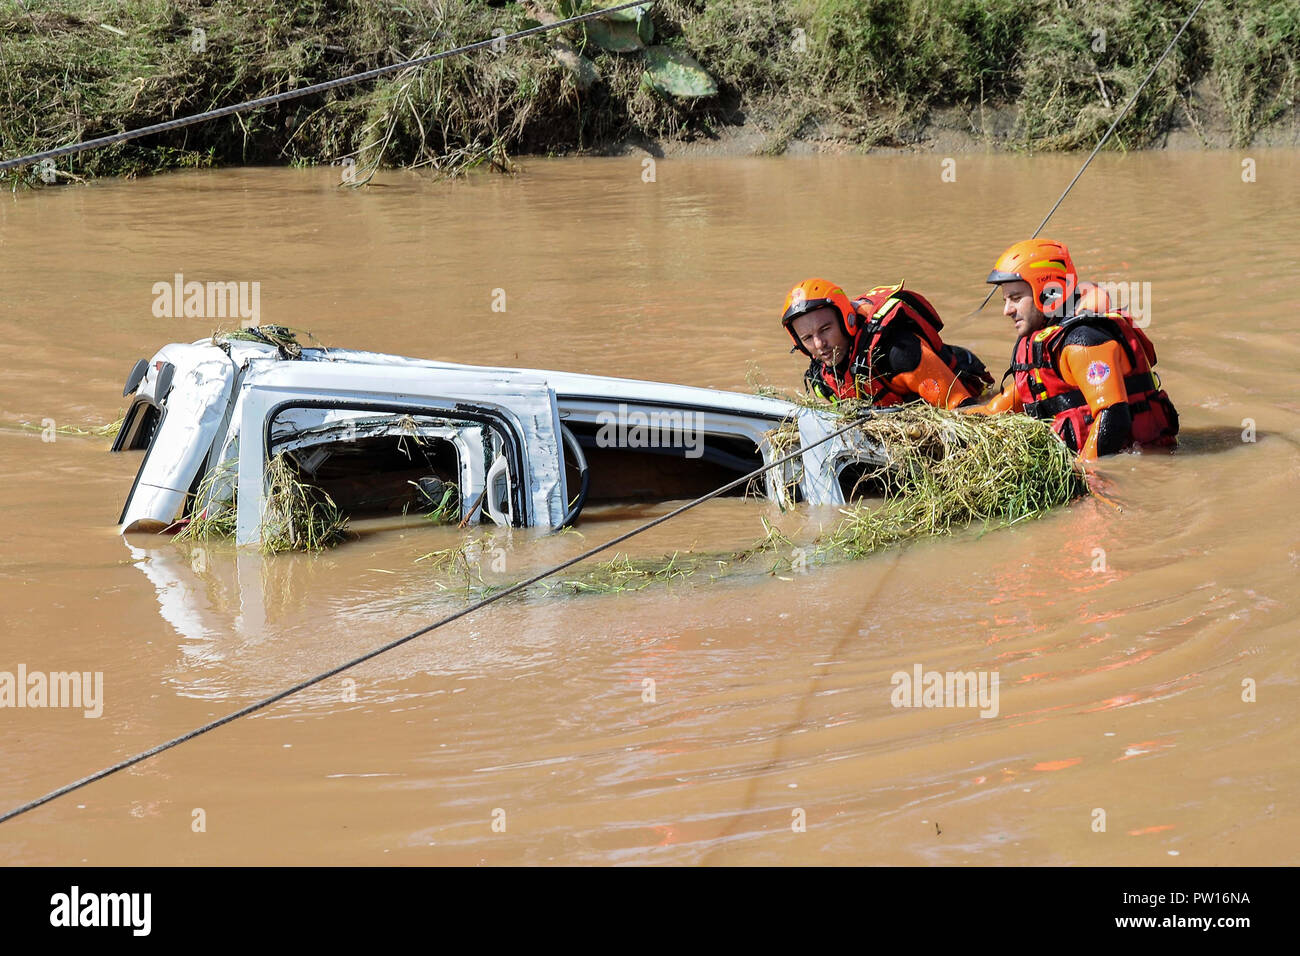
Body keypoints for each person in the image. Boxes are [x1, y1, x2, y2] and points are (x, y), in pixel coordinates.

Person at [972, 238, 1178, 461]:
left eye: (1015, 298)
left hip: (1144, 462)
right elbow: (995, 411)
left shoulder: (1084, 343)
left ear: (1048, 293)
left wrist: (1082, 475)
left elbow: (1114, 417)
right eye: (1005, 300)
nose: (1007, 310)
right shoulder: (1047, 344)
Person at [780, 278, 992, 408]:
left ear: (847, 320)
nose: (819, 344)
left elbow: (963, 408)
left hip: (968, 389)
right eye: (807, 338)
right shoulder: (822, 378)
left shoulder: (897, 353)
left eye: (825, 329)